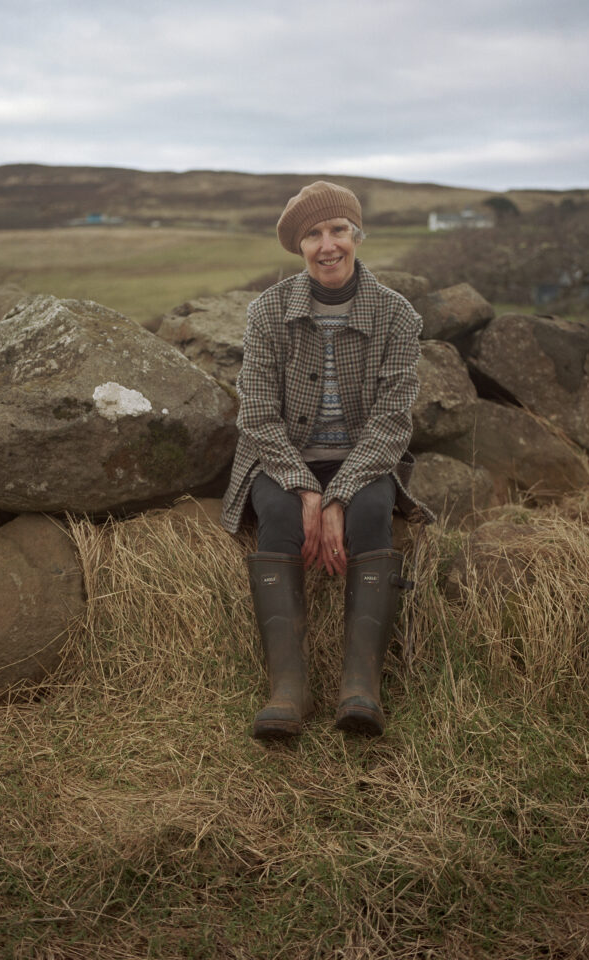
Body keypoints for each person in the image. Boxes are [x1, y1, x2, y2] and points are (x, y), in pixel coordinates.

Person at [220, 181, 433, 740]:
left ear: (356, 234)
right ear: (300, 247)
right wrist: (305, 487)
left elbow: (391, 421)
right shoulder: (268, 311)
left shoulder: (396, 314)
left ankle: (360, 688)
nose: (327, 244)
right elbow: (257, 414)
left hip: (363, 458)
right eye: (313, 234)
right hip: (281, 456)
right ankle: (289, 690)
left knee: (370, 512)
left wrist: (338, 494)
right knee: (280, 515)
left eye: (338, 229)